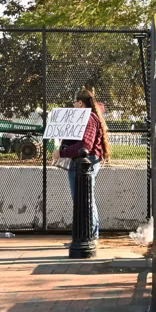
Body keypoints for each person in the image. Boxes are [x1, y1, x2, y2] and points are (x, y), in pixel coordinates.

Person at [52, 88, 110, 243]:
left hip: (86, 162)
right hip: (83, 162)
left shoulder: (89, 118)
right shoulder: (86, 118)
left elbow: (85, 145)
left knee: (84, 198)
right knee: (83, 198)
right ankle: (88, 235)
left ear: (81, 103)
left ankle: (89, 236)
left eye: (74, 103)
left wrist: (61, 154)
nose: (73, 106)